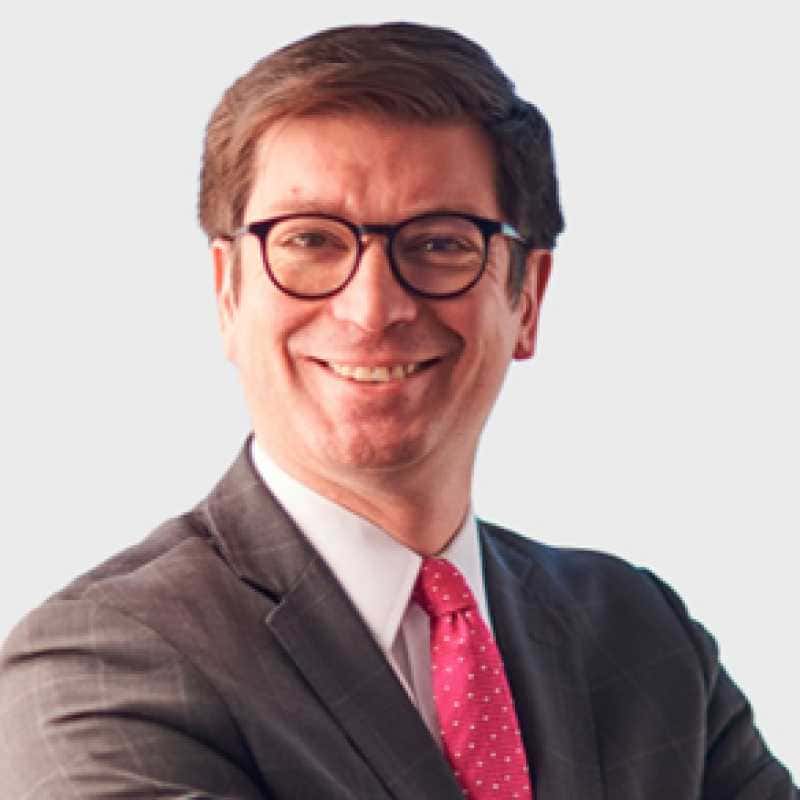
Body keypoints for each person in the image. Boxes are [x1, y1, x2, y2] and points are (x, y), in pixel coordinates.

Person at [0, 21, 795, 800]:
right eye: (311, 241)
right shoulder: (98, 666)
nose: (373, 308)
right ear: (228, 293)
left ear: (527, 300)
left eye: (441, 243)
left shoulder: (641, 635)